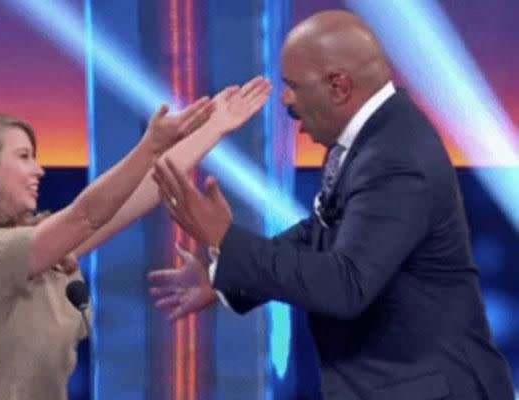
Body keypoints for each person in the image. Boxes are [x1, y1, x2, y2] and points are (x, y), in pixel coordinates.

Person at [148, 10, 515, 400]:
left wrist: (225, 238)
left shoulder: (395, 156)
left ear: (339, 86)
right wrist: (226, 275)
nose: (286, 100)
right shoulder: (369, 137)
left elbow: (346, 285)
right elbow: (318, 233)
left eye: (293, 86)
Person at [0, 76, 272, 399]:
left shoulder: (36, 241)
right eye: (24, 157)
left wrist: (214, 129)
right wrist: (148, 147)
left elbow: (137, 195)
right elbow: (87, 215)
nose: (39, 170)